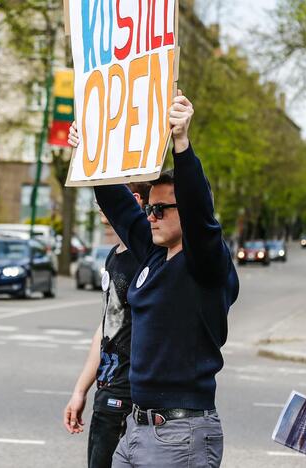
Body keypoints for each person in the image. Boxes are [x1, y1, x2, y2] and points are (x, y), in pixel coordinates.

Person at [69, 91, 240, 467]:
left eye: (162, 208)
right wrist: (89, 154)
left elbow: (201, 216)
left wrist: (181, 143)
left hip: (181, 435)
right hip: (137, 427)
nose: (151, 215)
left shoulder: (206, 264)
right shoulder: (154, 255)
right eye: (149, 207)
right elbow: (118, 206)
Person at [63, 182, 150, 468]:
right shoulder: (114, 255)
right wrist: (80, 390)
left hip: (127, 394)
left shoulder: (145, 257)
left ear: (133, 200)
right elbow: (106, 328)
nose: (100, 203)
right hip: (107, 388)